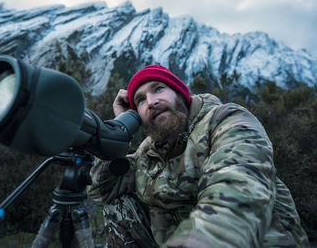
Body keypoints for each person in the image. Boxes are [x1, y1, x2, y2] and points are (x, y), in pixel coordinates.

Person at [87, 64, 309, 247]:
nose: (152, 101)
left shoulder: (226, 120)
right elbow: (100, 188)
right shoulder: (148, 151)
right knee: (118, 203)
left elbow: (238, 189)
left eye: (158, 89)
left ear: (181, 94)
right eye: (140, 100)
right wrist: (119, 132)